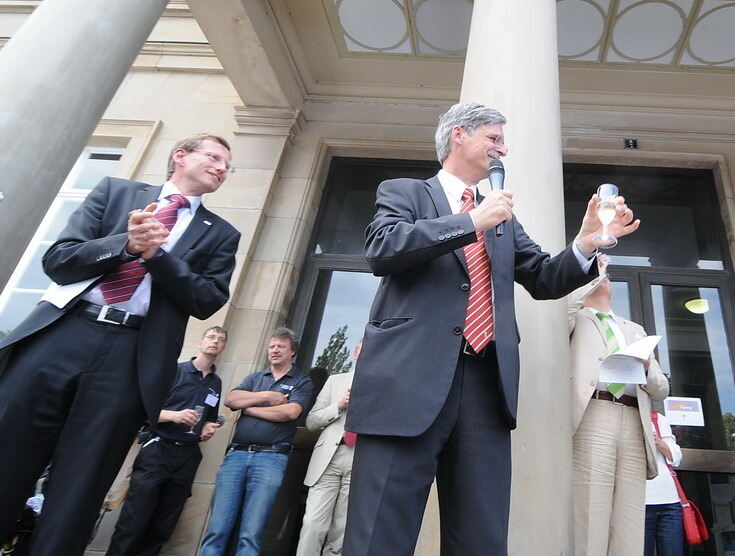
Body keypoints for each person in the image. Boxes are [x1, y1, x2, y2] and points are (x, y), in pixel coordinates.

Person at [342, 102, 640, 555]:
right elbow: (383, 248)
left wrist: (585, 244)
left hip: (485, 388)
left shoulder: (501, 218)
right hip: (406, 385)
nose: (503, 150)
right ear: (458, 135)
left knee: (481, 539)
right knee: (378, 537)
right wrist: (471, 222)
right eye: (494, 139)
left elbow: (544, 277)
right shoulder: (405, 192)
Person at [0, 133, 240, 555]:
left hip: (130, 356)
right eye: (214, 157)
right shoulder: (115, 192)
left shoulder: (221, 233)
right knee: (7, 455)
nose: (222, 168)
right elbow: (58, 260)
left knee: (82, 484)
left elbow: (207, 299)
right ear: (180, 156)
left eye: (227, 166)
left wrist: (157, 256)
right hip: (62, 333)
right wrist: (125, 245)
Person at [567, 258, 669, 555]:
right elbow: (562, 309)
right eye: (598, 277)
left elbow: (661, 389)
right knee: (591, 510)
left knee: (630, 517)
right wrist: (590, 272)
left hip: (634, 418)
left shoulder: (634, 329)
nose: (605, 279)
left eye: (607, 277)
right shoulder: (575, 318)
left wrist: (647, 366)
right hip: (595, 414)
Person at [105, 326, 229, 556]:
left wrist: (208, 427)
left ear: (223, 348)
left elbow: (209, 418)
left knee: (164, 524)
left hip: (187, 455)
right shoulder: (174, 371)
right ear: (200, 343)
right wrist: (174, 415)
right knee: (135, 518)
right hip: (158, 449)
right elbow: (142, 410)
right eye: (211, 337)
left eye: (220, 340)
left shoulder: (216, 383)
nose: (215, 341)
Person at [198, 328, 314, 556]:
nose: (274, 350)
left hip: (271, 458)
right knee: (217, 528)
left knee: (251, 533)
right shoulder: (256, 378)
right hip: (236, 456)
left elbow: (290, 412)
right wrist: (266, 397)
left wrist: (249, 408)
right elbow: (231, 399)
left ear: (292, 352)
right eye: (271, 346)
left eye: (281, 346)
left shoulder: (302, 381)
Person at [296, 340, 361, 556]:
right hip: (328, 459)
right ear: (355, 354)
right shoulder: (335, 381)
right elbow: (312, 421)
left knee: (342, 530)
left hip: (360, 460)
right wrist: (338, 406)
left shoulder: (385, 387)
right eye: (363, 350)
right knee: (313, 524)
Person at [644, 411, 684, 556]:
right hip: (639, 503)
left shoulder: (656, 418)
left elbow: (676, 458)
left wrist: (659, 442)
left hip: (669, 501)